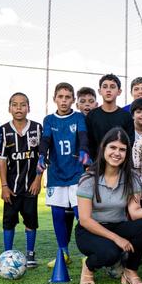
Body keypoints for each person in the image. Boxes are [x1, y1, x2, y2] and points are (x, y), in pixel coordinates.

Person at [76, 128, 142, 284]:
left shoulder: (131, 178)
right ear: (103, 148)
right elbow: (85, 220)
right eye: (113, 147)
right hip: (91, 230)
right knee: (110, 253)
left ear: (127, 153)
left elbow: (134, 213)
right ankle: (89, 266)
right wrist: (116, 238)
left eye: (122, 149)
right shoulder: (88, 178)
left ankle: (130, 270)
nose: (117, 153)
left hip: (118, 225)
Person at [39, 82, 90, 268]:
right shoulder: (49, 120)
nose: (63, 100)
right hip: (56, 174)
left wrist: (84, 150)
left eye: (67, 97)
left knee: (81, 214)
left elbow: (83, 136)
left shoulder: (77, 117)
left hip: (76, 173)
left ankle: (88, 253)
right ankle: (63, 253)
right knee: (58, 214)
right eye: (60, 97)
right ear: (54, 99)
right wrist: (41, 155)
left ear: (73, 100)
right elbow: (45, 140)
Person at [0, 92, 42, 267]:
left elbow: (42, 156)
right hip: (11, 187)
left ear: (28, 108)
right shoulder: (3, 130)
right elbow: (1, 160)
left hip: (31, 186)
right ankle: (7, 254)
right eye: (15, 105)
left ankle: (30, 254)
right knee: (9, 221)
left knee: (31, 220)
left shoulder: (37, 128)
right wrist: (3, 186)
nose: (19, 108)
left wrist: (38, 179)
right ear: (9, 108)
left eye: (23, 105)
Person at [86, 74, 134, 159]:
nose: (108, 90)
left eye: (112, 87)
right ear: (99, 91)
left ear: (119, 91)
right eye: (105, 87)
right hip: (97, 164)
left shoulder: (126, 116)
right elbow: (89, 143)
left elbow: (129, 143)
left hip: (118, 163)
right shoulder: (92, 116)